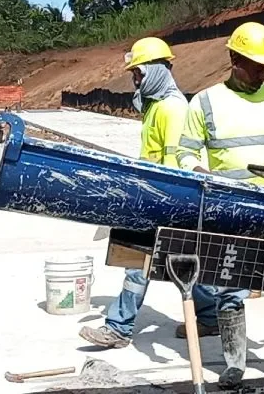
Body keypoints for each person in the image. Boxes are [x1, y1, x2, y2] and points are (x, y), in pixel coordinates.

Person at [175, 22, 264, 390]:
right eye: (255, 65)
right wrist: (205, 175)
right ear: (234, 59)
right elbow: (185, 153)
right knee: (230, 287)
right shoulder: (205, 102)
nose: (262, 72)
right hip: (232, 209)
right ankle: (234, 363)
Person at [79, 37, 220, 348]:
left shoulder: (173, 108)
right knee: (184, 261)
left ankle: (118, 328)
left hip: (167, 199)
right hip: (154, 195)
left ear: (156, 71)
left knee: (139, 263)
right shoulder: (156, 105)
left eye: (139, 74)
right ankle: (211, 318)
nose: (135, 79)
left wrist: (156, 205)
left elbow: (176, 164)